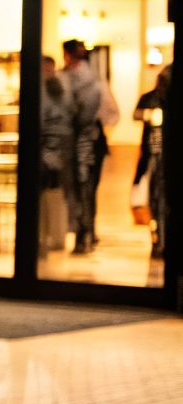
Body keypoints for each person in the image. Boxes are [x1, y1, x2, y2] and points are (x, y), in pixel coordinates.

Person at [60, 39, 119, 255]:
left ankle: (84, 232)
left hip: (85, 140)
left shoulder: (86, 82)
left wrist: (93, 127)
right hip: (86, 139)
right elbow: (112, 113)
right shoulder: (85, 79)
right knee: (85, 188)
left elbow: (111, 113)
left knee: (83, 187)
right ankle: (86, 232)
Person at [37, 56, 74, 254]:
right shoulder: (62, 89)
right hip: (59, 148)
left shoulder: (48, 90)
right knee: (56, 193)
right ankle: (55, 236)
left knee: (49, 193)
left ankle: (47, 236)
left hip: (50, 148)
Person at [134, 64, 169, 259]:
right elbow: (136, 114)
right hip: (151, 155)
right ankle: (157, 237)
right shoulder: (149, 97)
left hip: (165, 157)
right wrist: (149, 115)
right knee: (154, 197)